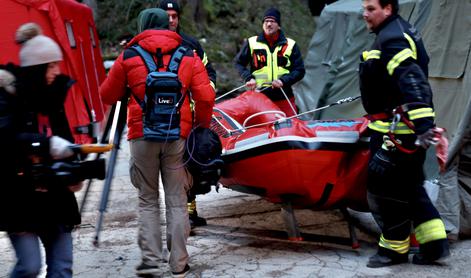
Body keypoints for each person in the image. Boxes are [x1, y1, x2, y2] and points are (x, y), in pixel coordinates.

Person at [99, 8, 215, 277]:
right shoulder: (188, 54)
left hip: (141, 135)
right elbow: (206, 96)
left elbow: (107, 95)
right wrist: (200, 126)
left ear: (142, 26)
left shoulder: (129, 55)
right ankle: (179, 264)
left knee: (148, 200)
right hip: (177, 136)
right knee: (176, 200)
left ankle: (150, 261)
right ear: (167, 25)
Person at [359, 0, 450, 268]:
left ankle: (393, 251)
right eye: (364, 7)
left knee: (385, 191)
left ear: (388, 8)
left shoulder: (392, 38)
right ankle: (434, 245)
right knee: (412, 189)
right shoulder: (402, 30)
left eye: (371, 8)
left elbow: (413, 81)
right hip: (402, 130)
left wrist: (422, 128)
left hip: (396, 134)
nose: (365, 13)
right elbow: (397, 80)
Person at [0, 23, 81, 277]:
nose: (57, 71)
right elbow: (6, 139)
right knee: (29, 266)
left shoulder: (54, 99)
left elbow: (66, 140)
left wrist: (75, 165)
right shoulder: (7, 98)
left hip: (56, 196)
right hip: (20, 198)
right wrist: (45, 144)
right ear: (36, 69)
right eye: (51, 65)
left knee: (62, 266)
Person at [159, 0, 217, 229]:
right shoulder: (151, 45)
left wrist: (207, 93)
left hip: (190, 116)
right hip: (164, 120)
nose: (171, 19)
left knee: (191, 164)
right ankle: (179, 213)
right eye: (167, 15)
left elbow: (208, 71)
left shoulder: (191, 45)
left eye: (175, 15)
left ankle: (189, 211)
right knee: (172, 167)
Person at [234, 7, 305, 117]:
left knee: (292, 125)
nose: (269, 24)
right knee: (258, 129)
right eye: (266, 21)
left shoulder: (290, 45)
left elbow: (300, 70)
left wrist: (283, 81)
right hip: (259, 97)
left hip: (284, 96)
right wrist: (248, 78)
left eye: (272, 21)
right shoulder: (252, 42)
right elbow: (238, 63)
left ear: (279, 25)